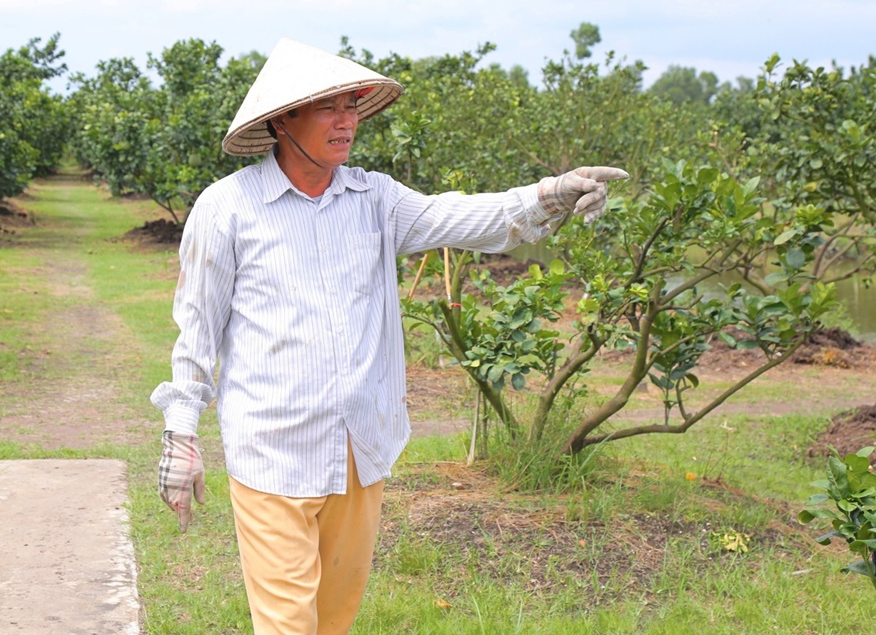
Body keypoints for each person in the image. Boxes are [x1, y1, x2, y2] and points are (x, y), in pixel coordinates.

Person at [151, 38, 629, 635]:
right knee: (287, 626)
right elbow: (196, 328)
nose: (346, 119)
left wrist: (547, 195)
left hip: (360, 446)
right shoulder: (228, 209)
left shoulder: (375, 199)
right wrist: (181, 434)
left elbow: (464, 217)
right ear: (280, 121)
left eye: (351, 104)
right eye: (327, 107)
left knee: (333, 619)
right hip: (271, 447)